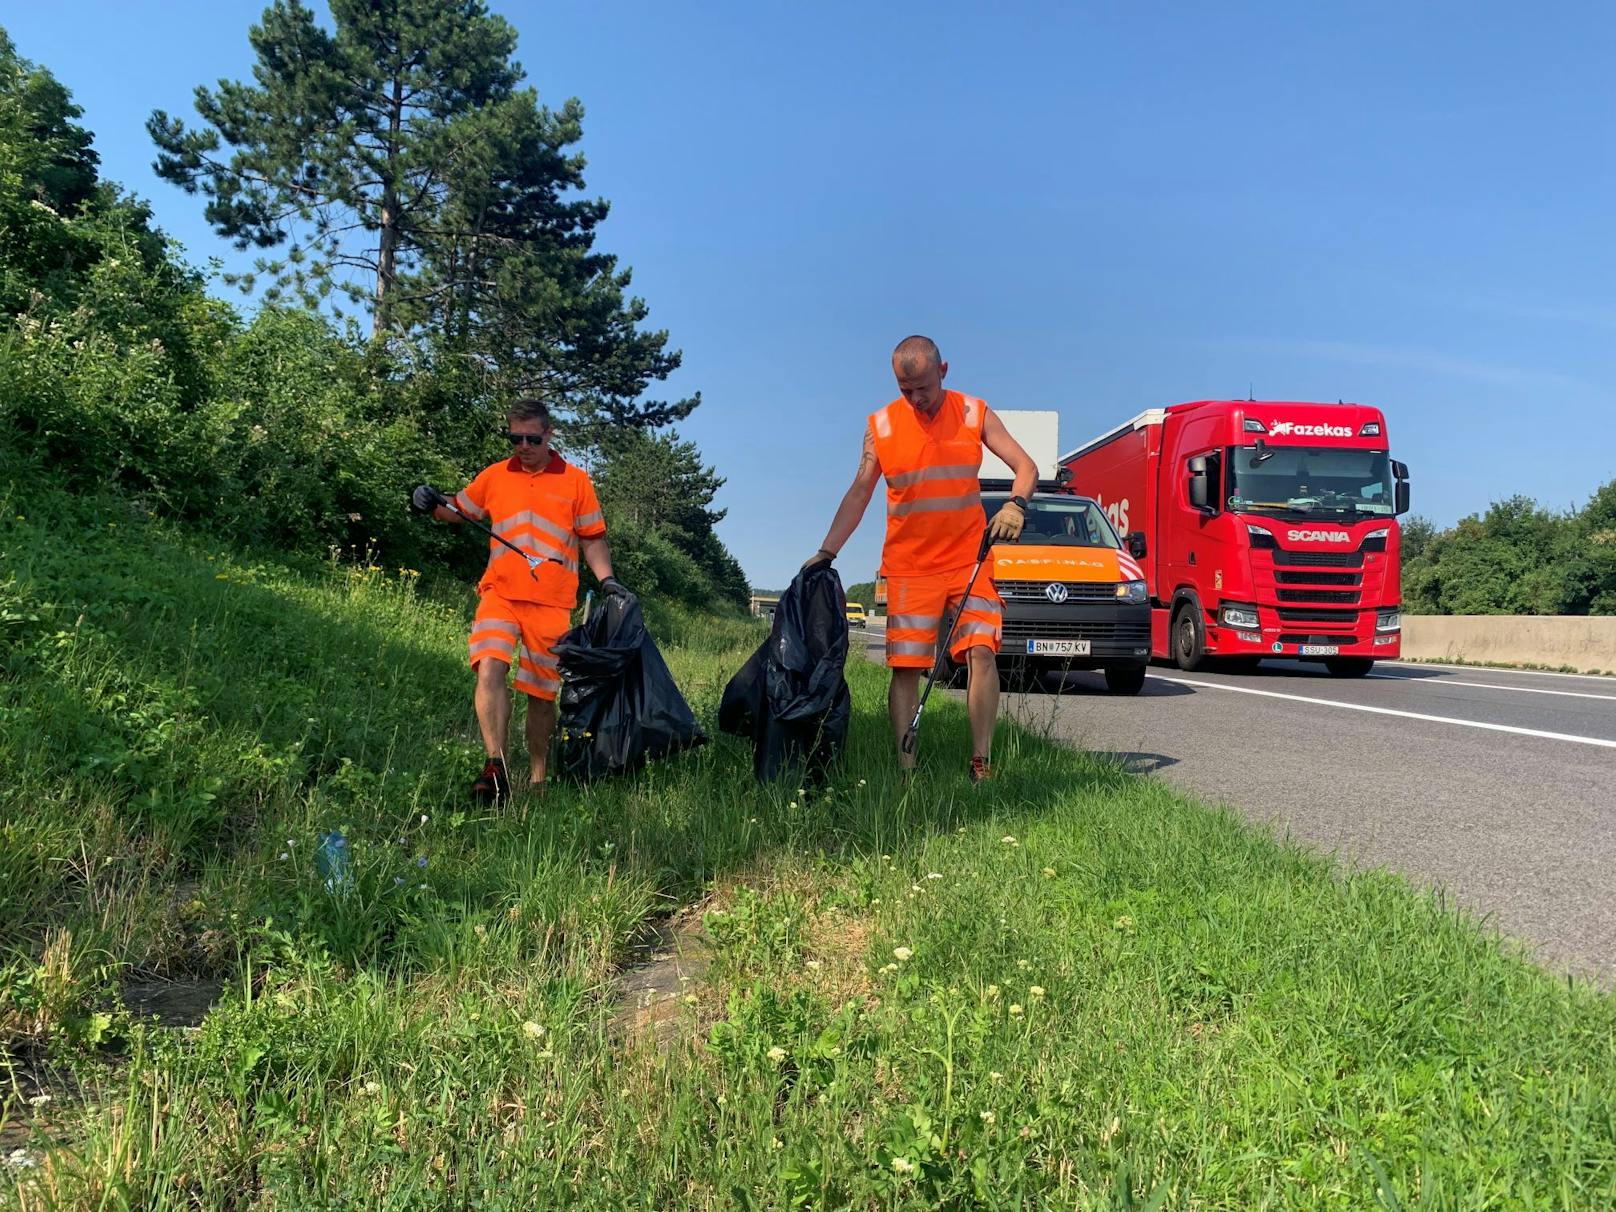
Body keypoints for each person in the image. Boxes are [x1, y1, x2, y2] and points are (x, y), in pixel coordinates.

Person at [806, 336, 1037, 782]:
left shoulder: (974, 413)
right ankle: (907, 770)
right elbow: (859, 493)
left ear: (944, 370)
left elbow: (1025, 466)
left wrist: (1016, 505)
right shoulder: (882, 428)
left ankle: (981, 763)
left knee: (982, 653)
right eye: (904, 389)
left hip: (970, 560)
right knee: (908, 668)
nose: (914, 399)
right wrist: (827, 550)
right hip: (911, 567)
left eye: (923, 388)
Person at [411, 398, 625, 801]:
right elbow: (458, 510)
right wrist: (428, 503)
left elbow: (592, 539)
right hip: (500, 593)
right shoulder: (495, 476)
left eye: (531, 438)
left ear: (548, 435)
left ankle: (538, 779)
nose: (522, 446)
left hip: (552, 602)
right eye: (515, 438)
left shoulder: (575, 481)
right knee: (489, 666)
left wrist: (609, 581)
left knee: (540, 695)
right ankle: (497, 768)